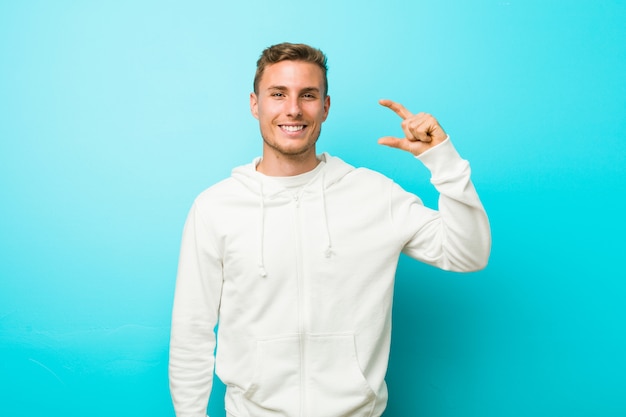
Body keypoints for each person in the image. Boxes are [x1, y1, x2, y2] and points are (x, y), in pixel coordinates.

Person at [169, 42, 491, 417]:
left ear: (325, 107)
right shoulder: (216, 207)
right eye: (278, 94)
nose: (293, 109)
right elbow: (191, 332)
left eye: (308, 95)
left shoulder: (373, 195)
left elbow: (468, 253)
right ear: (255, 104)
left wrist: (443, 161)